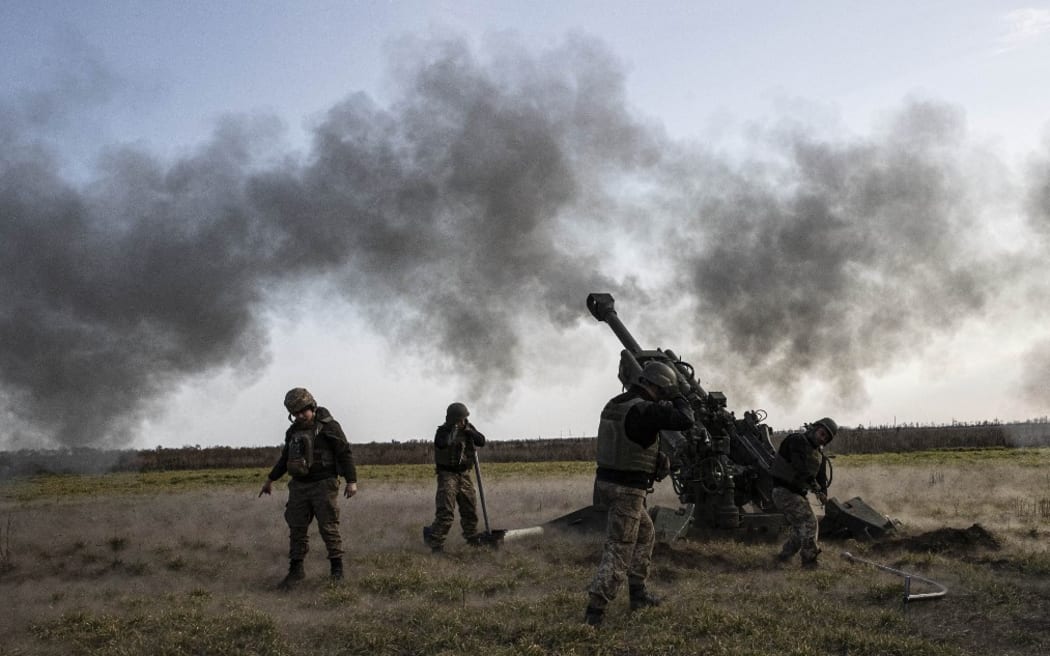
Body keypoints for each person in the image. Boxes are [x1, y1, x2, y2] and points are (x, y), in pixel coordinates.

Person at [584, 360, 695, 628]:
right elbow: (686, 419)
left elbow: (632, 439)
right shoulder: (646, 409)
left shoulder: (616, 404)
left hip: (607, 483)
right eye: (665, 389)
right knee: (620, 547)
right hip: (626, 490)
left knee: (646, 535)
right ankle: (594, 612)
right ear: (658, 386)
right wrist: (678, 393)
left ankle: (638, 594)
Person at [259, 387, 358, 588]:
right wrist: (270, 479)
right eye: (295, 413)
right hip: (299, 486)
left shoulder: (329, 427)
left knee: (328, 527)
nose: (300, 416)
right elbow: (286, 457)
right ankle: (296, 571)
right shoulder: (293, 431)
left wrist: (351, 481)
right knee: (297, 528)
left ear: (312, 406)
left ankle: (337, 572)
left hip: (324, 484)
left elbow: (344, 453)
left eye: (304, 410)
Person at [769, 417, 838, 568]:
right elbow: (799, 466)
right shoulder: (797, 440)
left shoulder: (819, 455)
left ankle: (784, 556)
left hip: (796, 493)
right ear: (815, 428)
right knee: (809, 522)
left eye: (825, 438)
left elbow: (821, 478)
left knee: (801, 528)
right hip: (783, 491)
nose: (822, 438)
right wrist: (815, 487)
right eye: (821, 433)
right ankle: (809, 561)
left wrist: (823, 494)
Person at [422, 402, 486, 553]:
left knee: (469, 508)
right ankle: (435, 543)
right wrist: (454, 429)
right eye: (460, 419)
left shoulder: (468, 428)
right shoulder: (443, 431)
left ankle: (471, 537)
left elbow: (481, 441)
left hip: (464, 474)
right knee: (446, 512)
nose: (462, 422)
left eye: (464, 419)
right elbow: (443, 443)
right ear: (452, 419)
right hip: (447, 475)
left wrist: (469, 431)